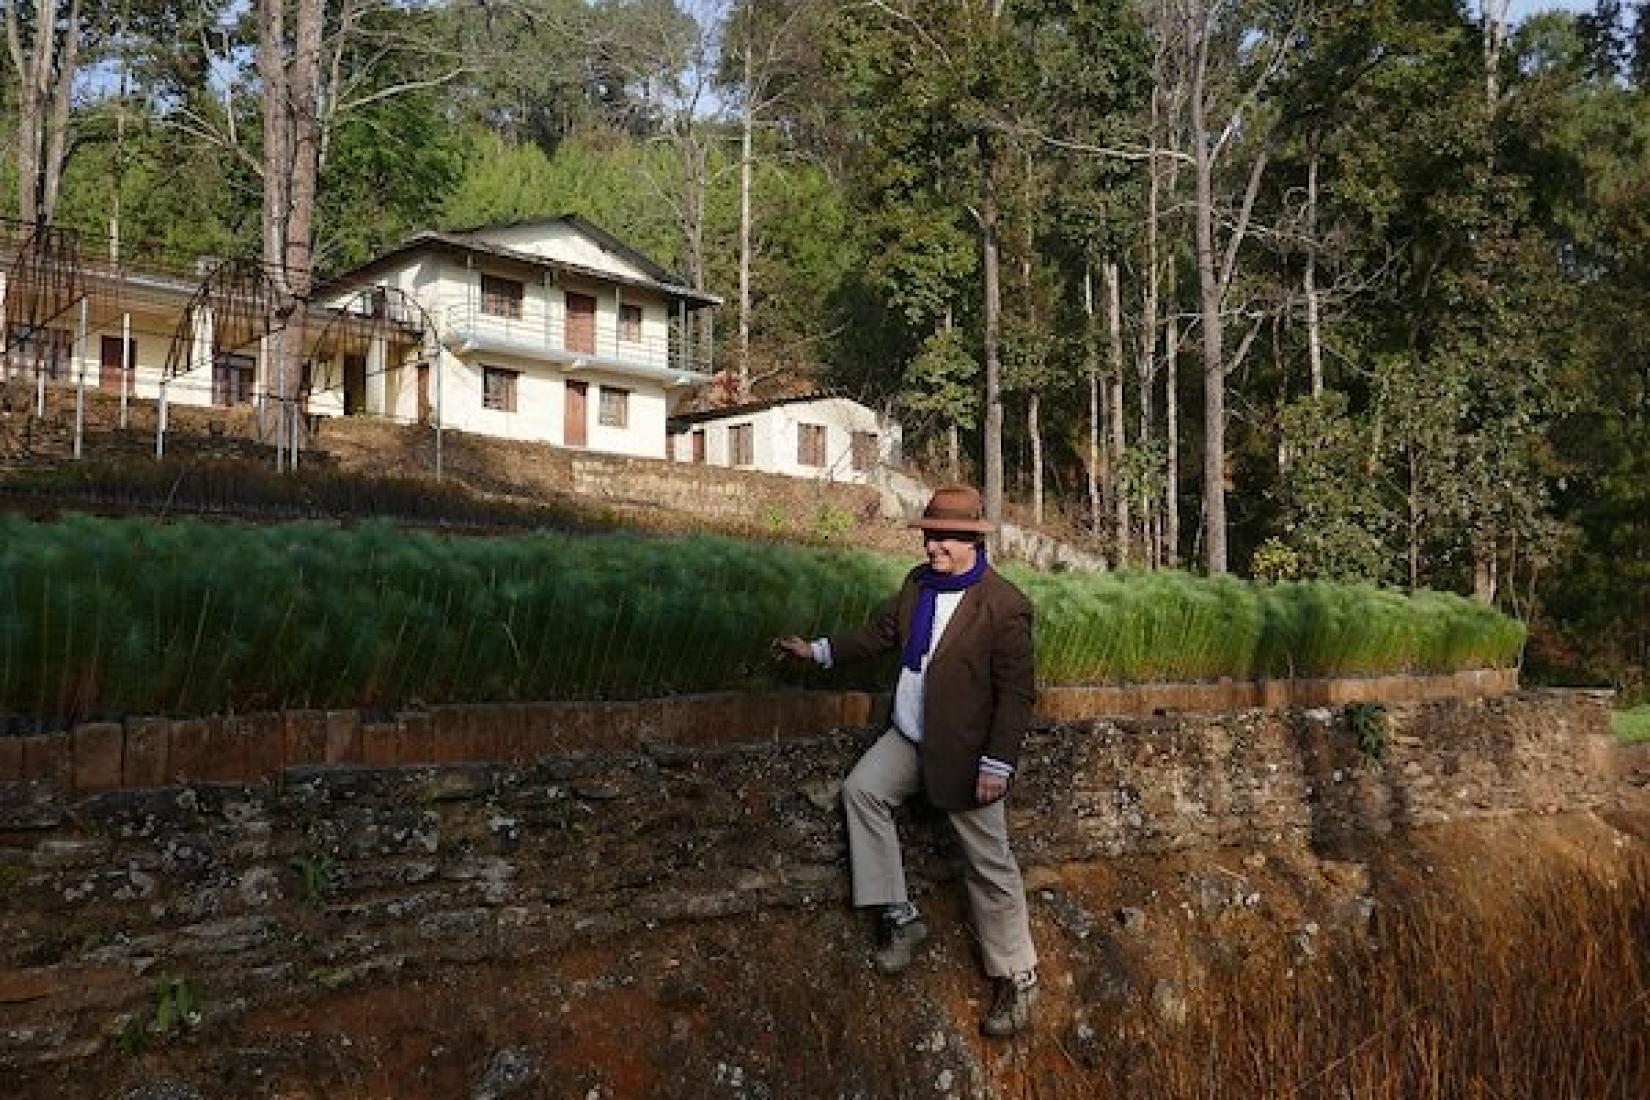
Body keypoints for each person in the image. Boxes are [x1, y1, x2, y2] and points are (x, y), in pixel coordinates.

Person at [774, 483, 1039, 1038]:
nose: (933, 547)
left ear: (972, 540)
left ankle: (1016, 976)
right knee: (863, 791)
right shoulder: (917, 586)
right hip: (911, 737)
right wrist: (818, 651)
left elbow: (1015, 695)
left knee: (989, 865)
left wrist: (998, 764)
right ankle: (899, 915)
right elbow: (882, 634)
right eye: (929, 536)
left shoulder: (1003, 605)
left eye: (945, 538)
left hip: (967, 753)